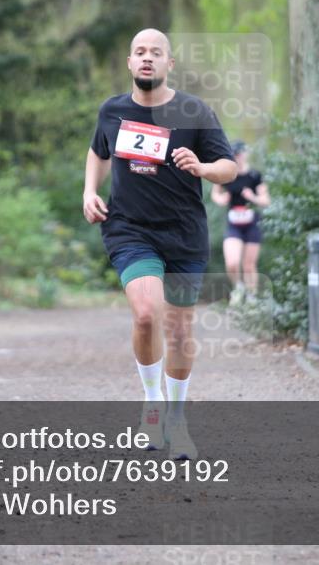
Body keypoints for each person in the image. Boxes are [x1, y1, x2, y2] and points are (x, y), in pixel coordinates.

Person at [83, 28, 237, 460]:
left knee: (179, 328)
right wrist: (88, 191)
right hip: (131, 230)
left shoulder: (192, 111)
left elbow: (228, 167)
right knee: (148, 313)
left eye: (156, 52)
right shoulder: (112, 111)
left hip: (184, 234)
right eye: (139, 51)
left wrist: (204, 168)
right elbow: (98, 151)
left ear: (169, 64)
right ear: (130, 63)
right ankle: (152, 404)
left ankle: (177, 418)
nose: (147, 58)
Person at [211, 141, 269, 303]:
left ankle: (252, 296)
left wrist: (253, 197)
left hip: (252, 223)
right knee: (232, 263)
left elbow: (266, 200)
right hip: (233, 224)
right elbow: (216, 193)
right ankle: (238, 287)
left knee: (249, 264)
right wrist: (221, 199)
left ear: (245, 154)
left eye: (239, 154)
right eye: (234, 154)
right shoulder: (228, 175)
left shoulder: (255, 176)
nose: (237, 157)